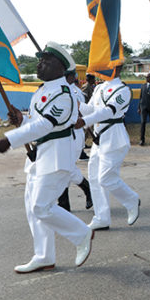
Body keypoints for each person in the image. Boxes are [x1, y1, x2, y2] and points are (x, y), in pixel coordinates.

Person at [0, 42, 93, 273]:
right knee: (31, 207)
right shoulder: (42, 91)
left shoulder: (64, 94)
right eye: (40, 60)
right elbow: (37, 123)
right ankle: (44, 255)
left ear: (61, 68)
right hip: (40, 156)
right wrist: (22, 119)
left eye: (46, 61)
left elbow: (47, 125)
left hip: (57, 155)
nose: (40, 64)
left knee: (41, 206)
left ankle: (82, 233)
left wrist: (11, 139)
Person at [75, 64, 141, 230]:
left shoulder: (123, 90)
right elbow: (91, 108)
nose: (100, 70)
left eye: (105, 67)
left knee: (106, 178)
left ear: (116, 69)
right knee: (95, 178)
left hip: (114, 138)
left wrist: (85, 121)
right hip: (99, 139)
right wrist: (76, 105)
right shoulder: (99, 89)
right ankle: (101, 217)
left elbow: (108, 112)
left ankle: (131, 199)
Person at [56, 62, 93, 212]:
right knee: (62, 169)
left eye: (66, 75)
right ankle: (64, 203)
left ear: (72, 77)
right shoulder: (60, 90)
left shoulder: (75, 92)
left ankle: (87, 189)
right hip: (62, 135)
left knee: (66, 168)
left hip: (74, 135)